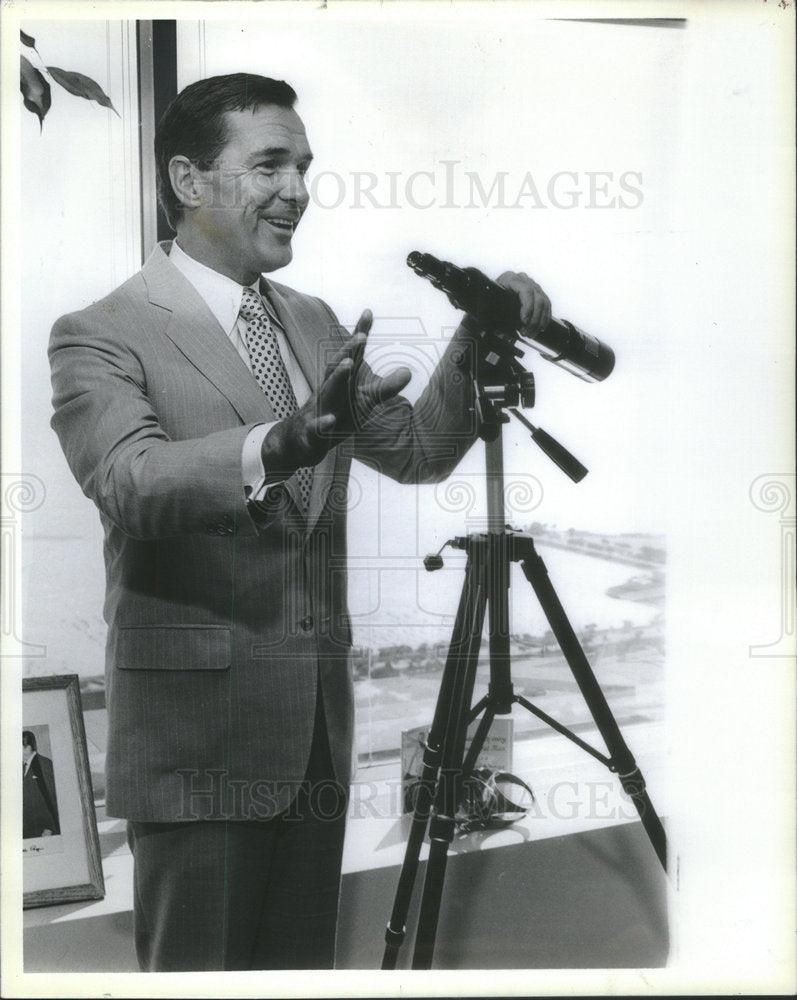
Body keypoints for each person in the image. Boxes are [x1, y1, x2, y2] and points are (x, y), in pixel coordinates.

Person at [48, 73, 552, 971]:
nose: (297, 190)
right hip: (196, 749)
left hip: (315, 745)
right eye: (269, 165)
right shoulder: (102, 332)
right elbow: (132, 482)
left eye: (304, 166)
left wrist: (480, 329)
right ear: (187, 180)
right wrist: (284, 440)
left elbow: (419, 452)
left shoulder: (314, 324)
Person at [22, 731, 60, 838]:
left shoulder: (44, 765)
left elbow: (53, 799)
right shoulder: (22, 766)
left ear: (27, 748)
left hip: (43, 831)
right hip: (29, 829)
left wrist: (49, 828)